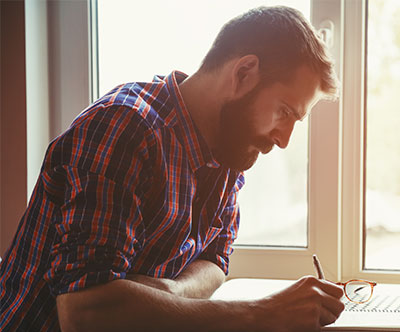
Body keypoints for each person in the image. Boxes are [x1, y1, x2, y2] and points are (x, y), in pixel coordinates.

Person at [0, 5, 345, 332]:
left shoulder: (227, 150)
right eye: (285, 112)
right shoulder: (125, 129)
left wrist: (169, 291)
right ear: (243, 73)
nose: (284, 139)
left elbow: (214, 262)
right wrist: (261, 313)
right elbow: (85, 313)